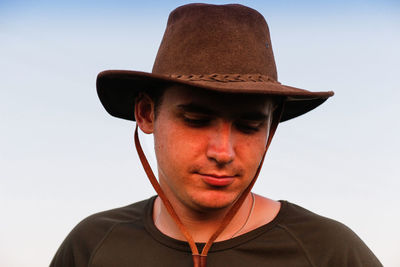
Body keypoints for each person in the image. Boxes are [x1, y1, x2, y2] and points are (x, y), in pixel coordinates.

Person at [51, 3, 382, 267]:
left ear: (272, 126)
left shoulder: (327, 251)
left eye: (249, 126)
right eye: (196, 120)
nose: (223, 152)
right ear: (147, 114)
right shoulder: (93, 246)